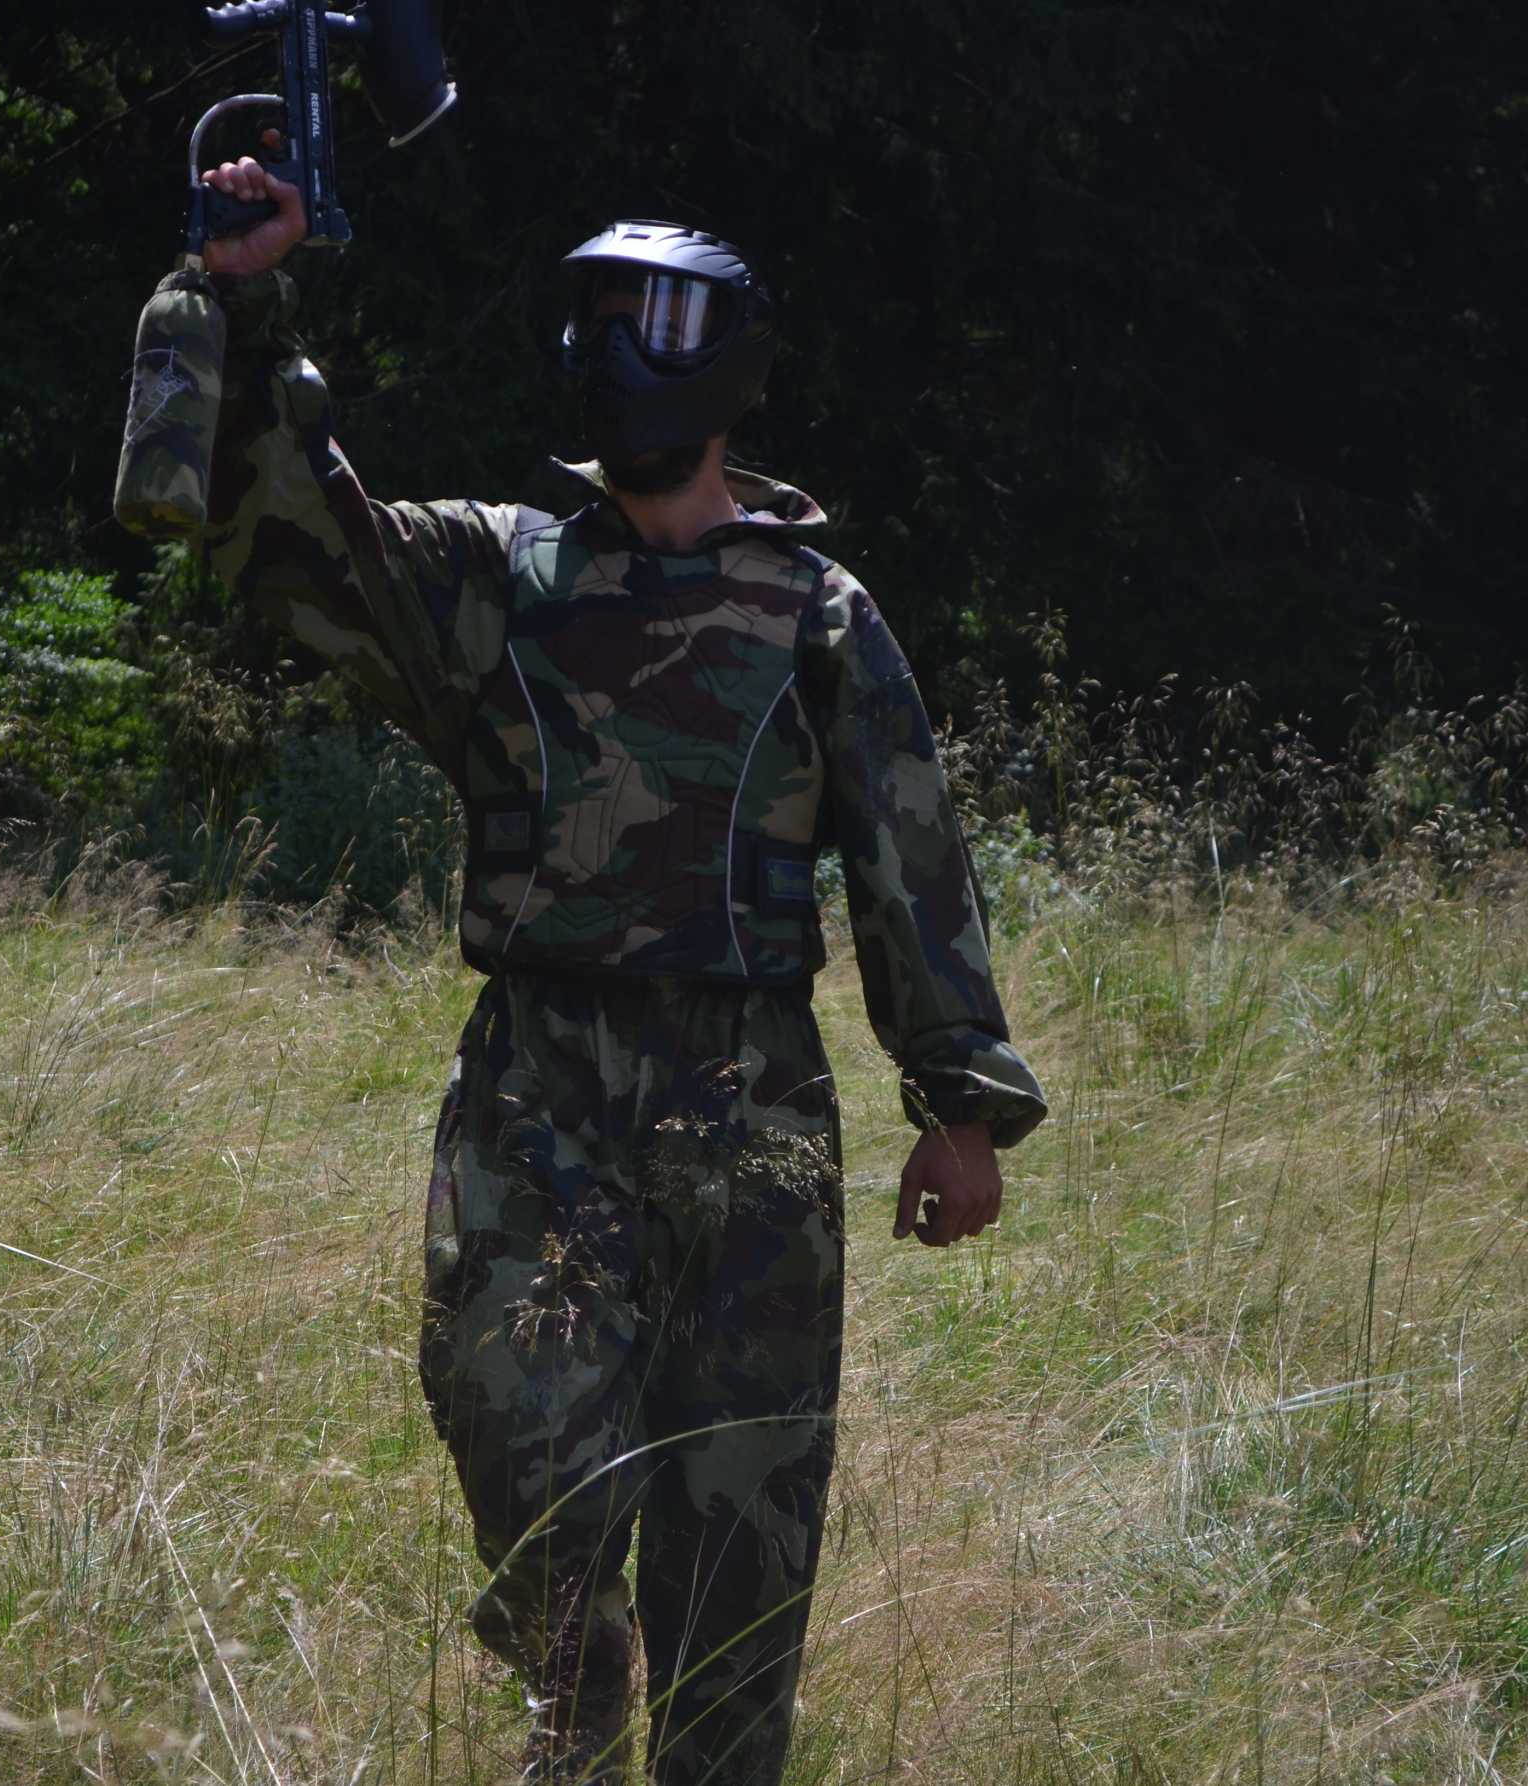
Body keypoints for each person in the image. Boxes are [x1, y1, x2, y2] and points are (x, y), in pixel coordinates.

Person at [125, 155, 1049, 1784]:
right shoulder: (500, 579)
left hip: (747, 1103)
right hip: (535, 1085)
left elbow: (908, 850)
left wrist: (958, 1103)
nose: (621, 352)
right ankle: (572, 1663)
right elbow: (287, 528)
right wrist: (243, 302)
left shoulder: (816, 612)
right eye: (599, 317)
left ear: (726, 364)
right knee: (516, 1426)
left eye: (653, 321)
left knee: (741, 1527)